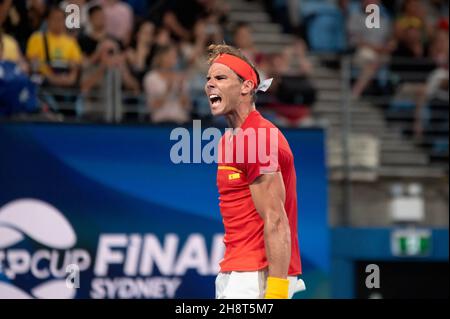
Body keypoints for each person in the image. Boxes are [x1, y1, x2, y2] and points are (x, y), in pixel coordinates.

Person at [204, 44, 305, 299]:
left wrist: (277, 293)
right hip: (236, 272)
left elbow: (276, 220)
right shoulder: (230, 139)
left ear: (246, 87)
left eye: (220, 78)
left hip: (257, 276)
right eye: (208, 79)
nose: (209, 85)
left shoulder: (257, 137)